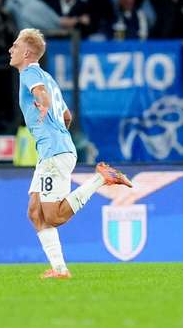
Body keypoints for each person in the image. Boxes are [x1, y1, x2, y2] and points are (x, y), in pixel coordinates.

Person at [9, 28, 132, 279]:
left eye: (15, 45)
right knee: (35, 211)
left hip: (54, 153)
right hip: (53, 151)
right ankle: (60, 270)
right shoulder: (48, 78)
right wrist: (54, 129)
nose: (10, 50)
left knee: (52, 216)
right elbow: (67, 116)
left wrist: (42, 106)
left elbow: (40, 95)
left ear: (27, 53)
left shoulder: (30, 73)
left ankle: (101, 178)